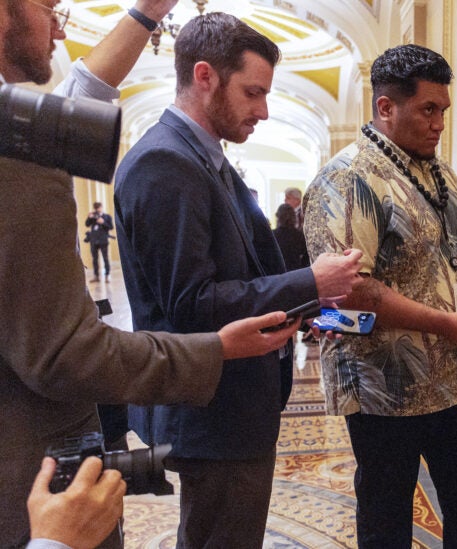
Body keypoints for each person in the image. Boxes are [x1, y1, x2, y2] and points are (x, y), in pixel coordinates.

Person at [0, 0, 305, 546]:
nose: (58, 25)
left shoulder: (27, 130)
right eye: (48, 5)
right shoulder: (157, 159)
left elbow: (83, 90)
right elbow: (69, 351)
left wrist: (145, 13)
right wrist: (304, 289)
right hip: (40, 460)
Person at [113, 13, 363, 547]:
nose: (264, 111)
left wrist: (325, 310)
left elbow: (246, 274)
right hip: (213, 414)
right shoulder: (164, 161)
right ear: (204, 76)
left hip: (231, 410)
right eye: (253, 92)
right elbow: (193, 305)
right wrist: (311, 284)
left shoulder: (205, 158)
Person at [303, 43, 457, 547]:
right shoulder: (348, 178)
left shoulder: (440, 173)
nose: (439, 123)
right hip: (386, 392)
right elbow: (349, 289)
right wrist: (446, 324)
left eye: (443, 111)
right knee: (386, 518)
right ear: (386, 108)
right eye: (428, 110)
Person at [272, 203, 309, 271]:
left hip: (277, 272)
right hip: (295, 273)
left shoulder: (272, 235)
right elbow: (306, 258)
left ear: (278, 217)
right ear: (294, 217)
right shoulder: (299, 236)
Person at [84, 201, 113, 282]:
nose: (97, 210)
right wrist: (89, 217)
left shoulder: (107, 217)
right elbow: (87, 224)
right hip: (94, 240)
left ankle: (107, 275)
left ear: (101, 207)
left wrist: (103, 222)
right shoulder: (93, 217)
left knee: (105, 258)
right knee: (94, 259)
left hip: (103, 240)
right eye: (96, 208)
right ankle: (96, 276)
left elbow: (110, 227)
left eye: (99, 207)